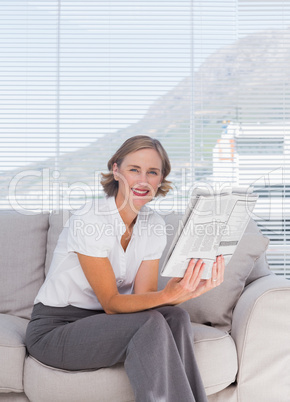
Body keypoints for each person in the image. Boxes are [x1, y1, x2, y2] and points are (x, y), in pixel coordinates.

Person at [25, 135, 225, 402]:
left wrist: (190, 290)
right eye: (134, 170)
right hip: (56, 330)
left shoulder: (153, 225)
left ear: (161, 179)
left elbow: (145, 299)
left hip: (108, 324)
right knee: (153, 319)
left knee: (175, 317)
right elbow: (111, 302)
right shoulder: (89, 220)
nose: (143, 180)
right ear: (116, 170)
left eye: (152, 172)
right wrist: (170, 294)